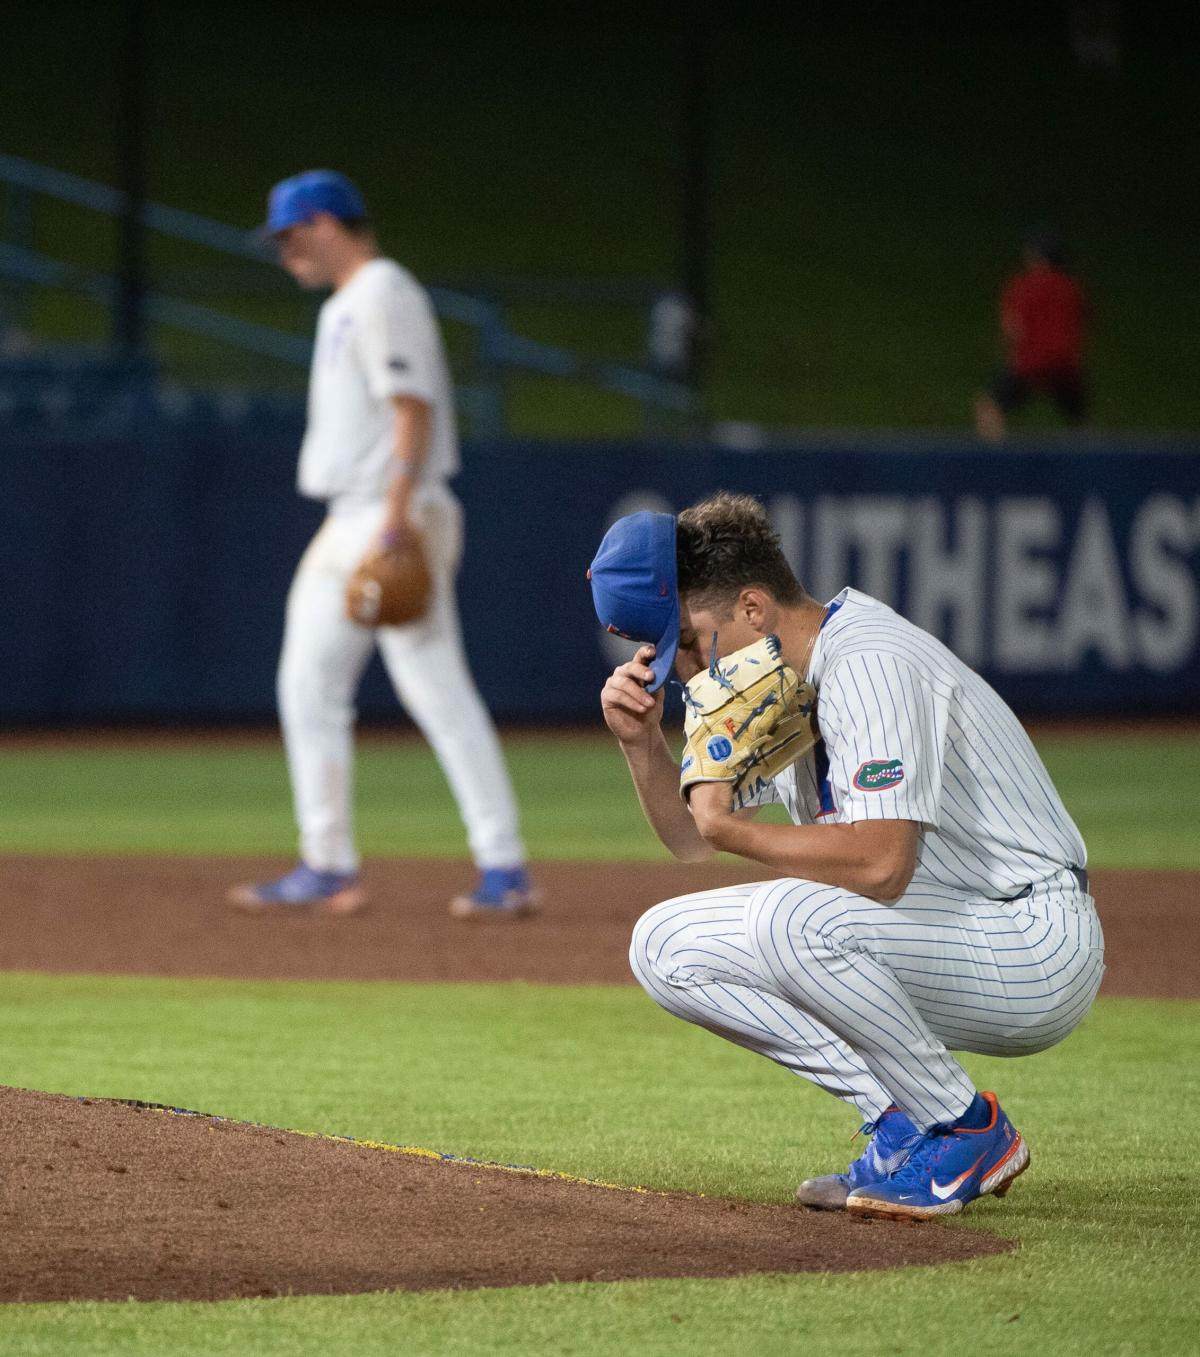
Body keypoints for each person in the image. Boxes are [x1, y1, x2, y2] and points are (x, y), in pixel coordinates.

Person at [589, 495, 1103, 1221]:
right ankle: (901, 1119)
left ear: (753, 609)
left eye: (698, 644)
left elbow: (879, 865)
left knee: (788, 914)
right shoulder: (784, 679)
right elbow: (691, 839)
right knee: (664, 945)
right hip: (946, 919)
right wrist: (642, 745)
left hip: (1031, 939)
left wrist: (734, 830)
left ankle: (966, 1127)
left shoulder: (869, 662)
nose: (693, 672)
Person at [229, 171, 536, 920]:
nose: (284, 253)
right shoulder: (345, 303)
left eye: (290, 236)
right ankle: (327, 862)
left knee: (433, 685)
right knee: (306, 681)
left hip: (390, 511)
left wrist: (397, 521)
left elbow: (412, 409)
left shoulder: (383, 292)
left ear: (327, 223)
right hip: (351, 516)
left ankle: (504, 864)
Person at [974, 231, 1089, 440]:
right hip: (1066, 365)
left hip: (1030, 362)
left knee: (989, 405)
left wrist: (1009, 356)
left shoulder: (1024, 285)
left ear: (1037, 257)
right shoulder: (1072, 288)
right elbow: (1082, 324)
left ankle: (996, 462)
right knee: (1079, 420)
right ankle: (1091, 464)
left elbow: (1012, 328)